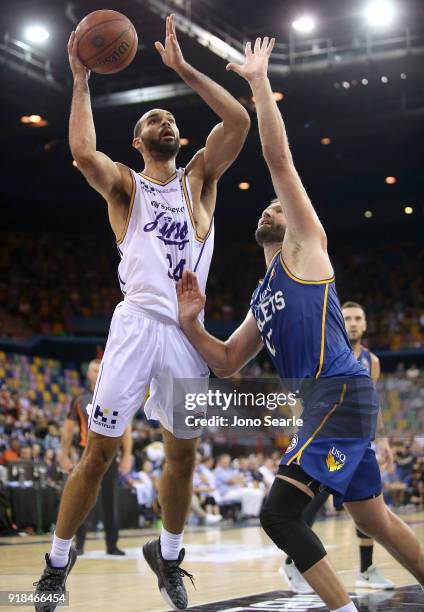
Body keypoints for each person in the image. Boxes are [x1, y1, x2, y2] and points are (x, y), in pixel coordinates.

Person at [177, 37, 424, 612]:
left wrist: (259, 82)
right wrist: (191, 325)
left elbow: (279, 161)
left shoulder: (308, 248)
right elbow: (227, 360)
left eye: (279, 206)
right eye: (266, 207)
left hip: (337, 393)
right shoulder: (263, 295)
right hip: (329, 401)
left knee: (279, 514)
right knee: (375, 517)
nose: (271, 207)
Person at [33, 14, 250, 612]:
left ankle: (170, 556)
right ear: (138, 141)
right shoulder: (126, 187)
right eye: (155, 118)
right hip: (134, 326)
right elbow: (81, 153)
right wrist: (80, 77)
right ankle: (55, 565)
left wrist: (184, 69)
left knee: (183, 454)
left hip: (187, 333)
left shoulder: (200, 179)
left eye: (172, 118)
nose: (167, 121)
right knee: (99, 452)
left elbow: (238, 121)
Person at [279, 301, 395, 593]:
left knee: (366, 502)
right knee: (316, 497)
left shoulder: (373, 361)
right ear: (339, 323)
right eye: (348, 318)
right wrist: (298, 425)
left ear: (366, 325)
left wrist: (382, 439)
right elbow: (296, 392)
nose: (354, 323)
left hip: (358, 440)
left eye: (358, 318)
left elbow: (373, 402)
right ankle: (293, 561)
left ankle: (366, 570)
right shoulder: (323, 351)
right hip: (327, 434)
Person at [59, 358, 133, 556]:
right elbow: (68, 428)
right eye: (94, 369)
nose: (98, 371)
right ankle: (79, 544)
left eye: (101, 368)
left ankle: (112, 544)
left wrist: (127, 455)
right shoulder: (79, 400)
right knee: (82, 498)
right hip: (85, 455)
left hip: (110, 457)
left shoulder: (116, 397)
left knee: (111, 502)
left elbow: (125, 428)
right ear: (89, 374)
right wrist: (64, 454)